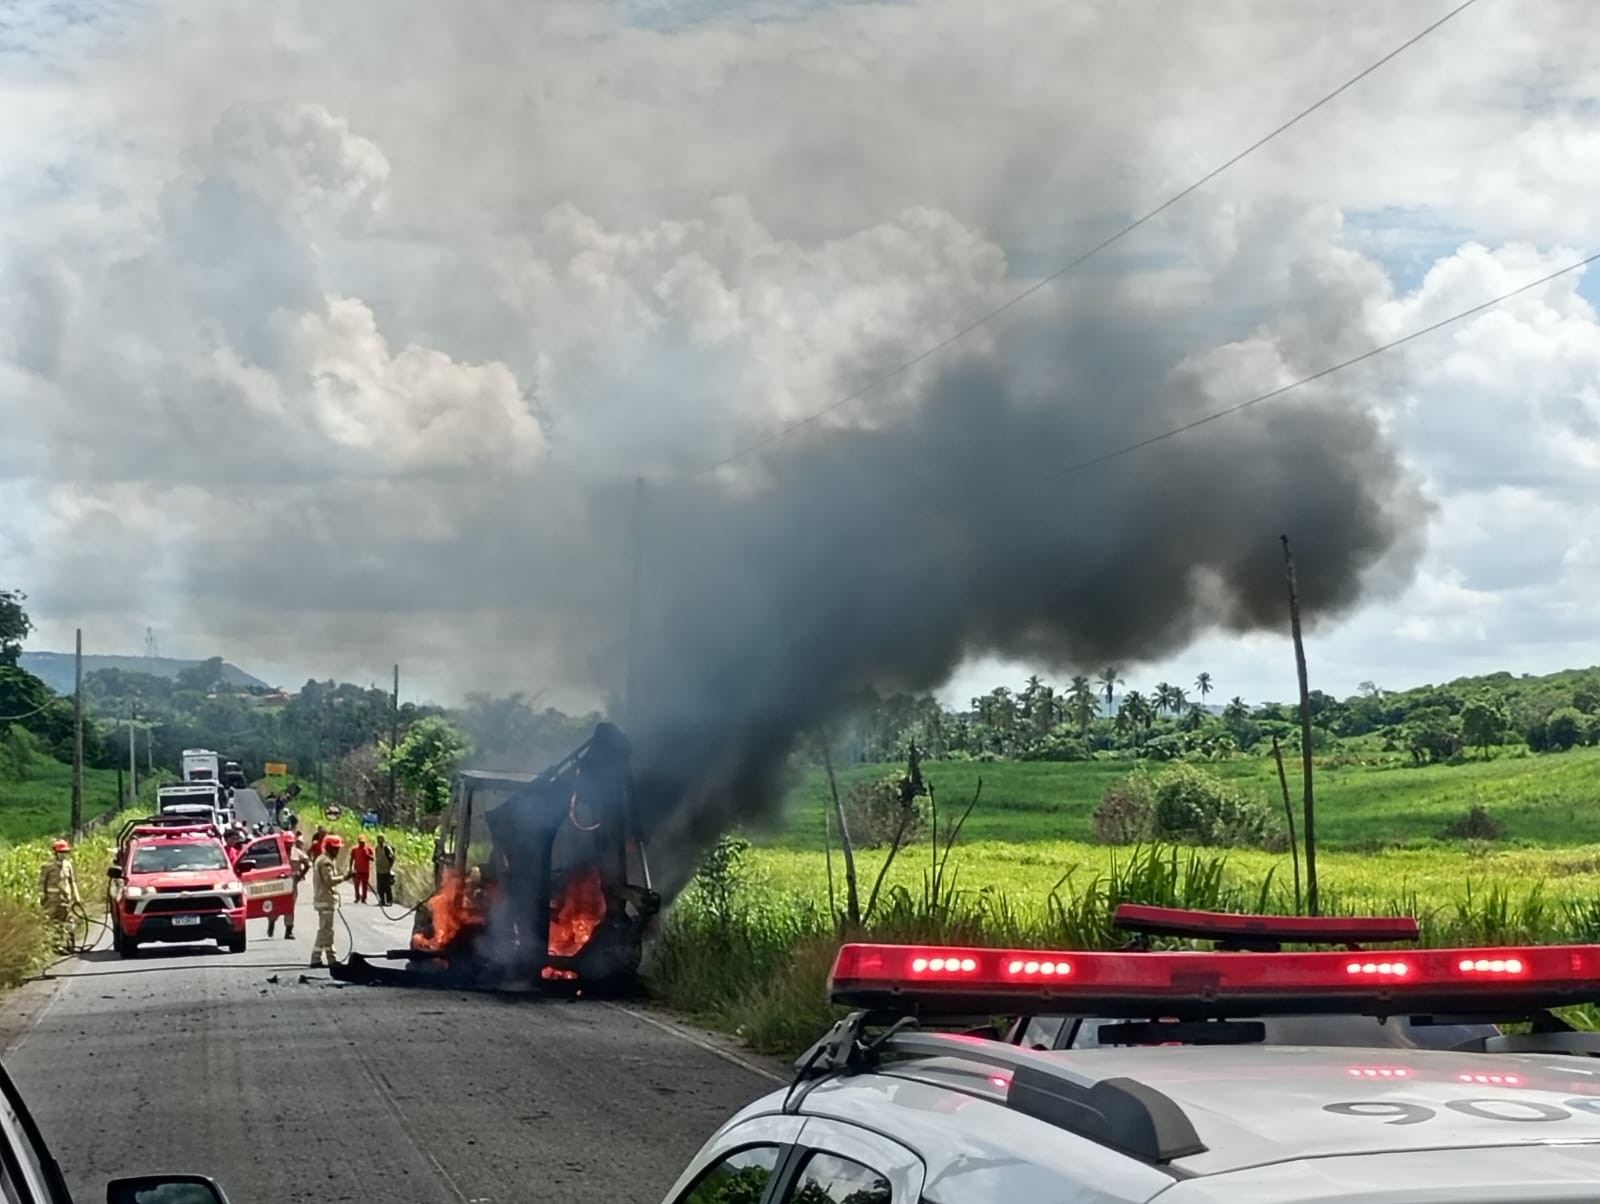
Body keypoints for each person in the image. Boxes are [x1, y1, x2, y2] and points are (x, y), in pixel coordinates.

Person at [309, 833, 351, 968]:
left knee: (328, 931)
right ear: (330, 848)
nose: (337, 851)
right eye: (336, 848)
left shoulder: (321, 859)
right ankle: (315, 958)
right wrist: (345, 877)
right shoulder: (326, 862)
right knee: (325, 931)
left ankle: (332, 958)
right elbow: (329, 881)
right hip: (325, 900)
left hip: (323, 900)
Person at [268, 834, 311, 941]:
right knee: (276, 906)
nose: (288, 845)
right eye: (286, 842)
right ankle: (272, 922)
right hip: (277, 884)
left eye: (290, 843)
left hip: (292, 883)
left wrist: (300, 875)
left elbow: (308, 864)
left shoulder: (297, 852)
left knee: (289, 908)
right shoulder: (276, 852)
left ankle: (289, 931)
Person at [38, 839, 80, 950]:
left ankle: (70, 944)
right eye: (61, 852)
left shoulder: (68, 865)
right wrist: (42, 895)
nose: (63, 855)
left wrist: (77, 897)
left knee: (68, 921)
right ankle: (55, 945)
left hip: (66, 899)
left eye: (65, 852)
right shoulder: (48, 866)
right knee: (52, 922)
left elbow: (72, 881)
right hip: (51, 900)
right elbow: (42, 882)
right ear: (55, 853)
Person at [375, 834, 397, 907]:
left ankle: (389, 901)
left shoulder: (387, 848)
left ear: (384, 840)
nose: (379, 841)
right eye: (378, 839)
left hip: (386, 870)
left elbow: (392, 858)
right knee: (380, 887)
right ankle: (382, 900)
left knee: (387, 886)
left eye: (381, 839)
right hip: (379, 870)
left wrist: (389, 867)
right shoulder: (377, 848)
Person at [349, 836, 374, 904]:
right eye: (360, 842)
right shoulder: (354, 849)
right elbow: (352, 858)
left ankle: (364, 898)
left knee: (365, 885)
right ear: (358, 842)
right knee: (356, 884)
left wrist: (367, 854)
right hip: (357, 870)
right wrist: (350, 868)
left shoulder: (368, 849)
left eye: (363, 843)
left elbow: (372, 859)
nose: (362, 844)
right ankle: (357, 897)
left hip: (365, 870)